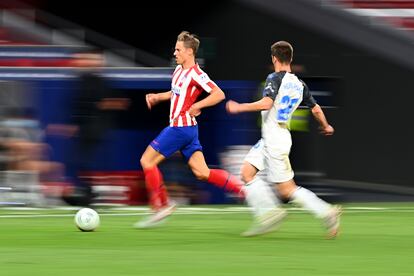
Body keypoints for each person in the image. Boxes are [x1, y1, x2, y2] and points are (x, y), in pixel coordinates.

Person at [226, 41, 341, 238]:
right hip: (273, 136)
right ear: (291, 58)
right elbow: (315, 108)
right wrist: (326, 126)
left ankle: (326, 212)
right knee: (246, 173)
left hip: (275, 139)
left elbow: (266, 103)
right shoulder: (299, 84)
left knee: (287, 190)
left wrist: (240, 107)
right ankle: (268, 214)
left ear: (274, 58)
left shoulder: (274, 78)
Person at [135, 31, 244, 228]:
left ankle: (161, 206)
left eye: (178, 50)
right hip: (189, 130)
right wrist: (158, 97)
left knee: (146, 161)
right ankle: (241, 188)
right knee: (202, 172)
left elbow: (219, 94)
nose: (174, 53)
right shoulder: (178, 71)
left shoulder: (197, 74)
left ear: (189, 52)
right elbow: (176, 93)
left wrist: (199, 105)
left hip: (179, 128)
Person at [48, 49, 129, 206]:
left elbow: (122, 102)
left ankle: (92, 194)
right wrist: (67, 126)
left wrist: (102, 105)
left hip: (97, 130)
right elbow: (73, 108)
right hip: (83, 131)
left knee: (92, 163)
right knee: (75, 162)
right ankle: (85, 194)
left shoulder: (103, 82)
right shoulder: (77, 81)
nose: (81, 62)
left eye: (87, 59)